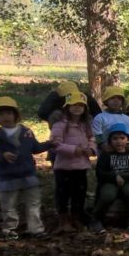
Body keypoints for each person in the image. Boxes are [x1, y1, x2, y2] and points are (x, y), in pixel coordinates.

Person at [0, 96, 51, 239]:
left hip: (28, 174)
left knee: (33, 203)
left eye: (9, 113)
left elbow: (35, 148)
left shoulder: (26, 132)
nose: (6, 117)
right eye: (1, 114)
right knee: (9, 205)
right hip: (7, 176)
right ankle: (9, 229)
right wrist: (3, 156)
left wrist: (50, 144)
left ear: (15, 115)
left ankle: (36, 229)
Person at [51, 92, 96, 233]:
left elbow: (92, 138)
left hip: (81, 165)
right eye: (74, 105)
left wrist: (92, 149)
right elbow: (55, 144)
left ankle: (77, 216)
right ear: (67, 107)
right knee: (63, 193)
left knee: (80, 192)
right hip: (64, 166)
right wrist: (73, 149)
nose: (77, 108)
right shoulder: (60, 125)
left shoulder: (85, 124)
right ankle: (63, 219)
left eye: (81, 105)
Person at [89, 123, 129, 234]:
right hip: (110, 182)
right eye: (115, 138)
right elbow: (100, 172)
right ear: (110, 141)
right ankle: (96, 219)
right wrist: (114, 176)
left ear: (128, 140)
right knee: (108, 195)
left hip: (127, 181)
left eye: (122, 138)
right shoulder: (106, 155)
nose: (119, 141)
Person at [38, 80, 102, 124]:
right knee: (56, 114)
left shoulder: (85, 97)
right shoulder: (56, 99)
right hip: (62, 125)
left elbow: (98, 113)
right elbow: (42, 113)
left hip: (83, 124)